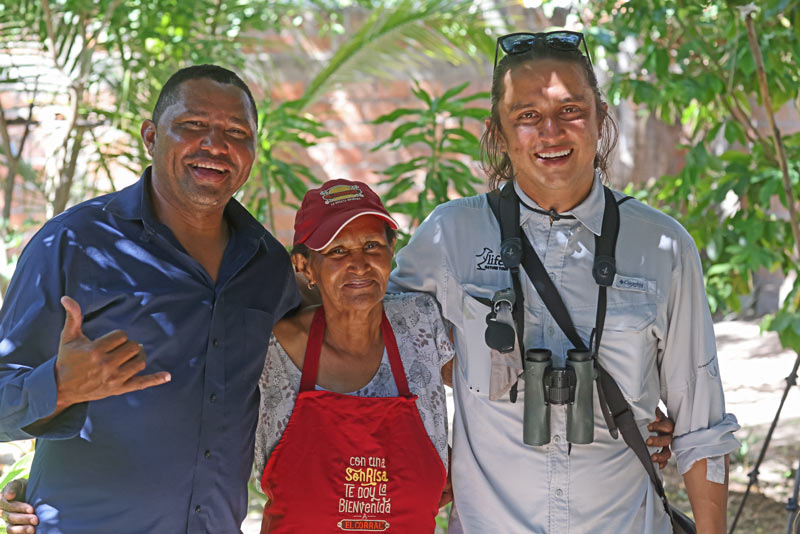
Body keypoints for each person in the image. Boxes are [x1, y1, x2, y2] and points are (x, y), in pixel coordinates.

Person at [389, 30, 740, 533]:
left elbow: (704, 427)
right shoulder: (450, 236)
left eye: (571, 110)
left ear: (600, 117)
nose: (550, 132)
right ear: (498, 131)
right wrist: (439, 427)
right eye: (526, 116)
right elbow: (380, 348)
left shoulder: (662, 246)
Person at [0, 65, 299, 534]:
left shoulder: (269, 267)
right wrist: (57, 386)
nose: (215, 145)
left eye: (236, 132)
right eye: (194, 125)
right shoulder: (74, 243)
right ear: (150, 136)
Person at [254, 178, 453, 532]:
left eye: (372, 245)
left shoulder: (421, 323)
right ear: (304, 266)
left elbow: (486, 395)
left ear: (392, 250)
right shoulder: (272, 347)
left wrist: (463, 461)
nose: (359, 264)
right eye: (337, 251)